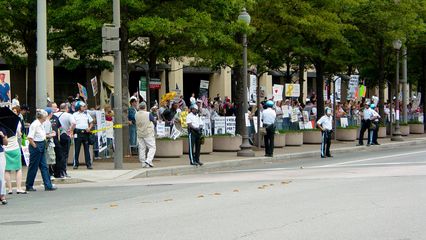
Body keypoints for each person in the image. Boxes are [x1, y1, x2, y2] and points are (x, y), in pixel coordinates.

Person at [25, 109, 57, 191]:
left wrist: (49, 135)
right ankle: (29, 185)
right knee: (34, 167)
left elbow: (42, 135)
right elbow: (30, 137)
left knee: (44, 166)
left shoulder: (41, 124)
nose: (46, 117)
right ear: (42, 117)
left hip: (41, 144)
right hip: (36, 145)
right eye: (45, 116)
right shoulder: (35, 124)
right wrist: (35, 146)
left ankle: (48, 185)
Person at [4, 107, 26, 194]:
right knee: (18, 168)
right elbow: (19, 134)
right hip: (15, 147)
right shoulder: (16, 122)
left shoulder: (3, 124)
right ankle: (19, 188)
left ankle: (9, 189)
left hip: (5, 148)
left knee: (7, 170)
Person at [71, 101, 93, 169]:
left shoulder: (86, 114)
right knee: (76, 149)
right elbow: (72, 124)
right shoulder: (74, 115)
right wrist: (72, 132)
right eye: (82, 106)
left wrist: (89, 128)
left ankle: (88, 164)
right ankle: (75, 164)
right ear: (78, 107)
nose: (84, 107)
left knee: (87, 149)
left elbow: (91, 122)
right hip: (77, 133)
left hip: (86, 133)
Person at [54, 103, 74, 178]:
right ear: (67, 108)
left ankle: (57, 171)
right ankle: (63, 171)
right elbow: (74, 123)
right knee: (64, 155)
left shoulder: (55, 114)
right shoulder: (69, 115)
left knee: (57, 154)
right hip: (65, 135)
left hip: (56, 136)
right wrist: (70, 130)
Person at [135, 102, 156, 168]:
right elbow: (154, 121)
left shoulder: (136, 114)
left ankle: (143, 162)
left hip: (139, 133)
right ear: (145, 107)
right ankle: (148, 160)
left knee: (142, 148)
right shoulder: (148, 114)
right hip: (148, 133)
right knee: (152, 147)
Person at [0, 125, 9, 204]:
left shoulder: (1, 128)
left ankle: (2, 195)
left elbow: (6, 143)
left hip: (0, 153)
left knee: (1, 175)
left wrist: (2, 136)